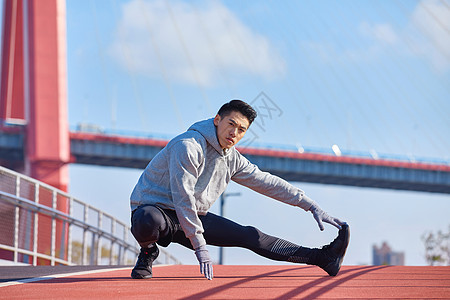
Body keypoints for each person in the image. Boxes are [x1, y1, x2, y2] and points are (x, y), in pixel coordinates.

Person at [129, 100, 349, 280]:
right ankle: (148, 251)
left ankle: (323, 258)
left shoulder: (232, 159)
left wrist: (310, 205)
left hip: (191, 216)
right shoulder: (188, 146)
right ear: (217, 120)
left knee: (250, 236)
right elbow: (183, 197)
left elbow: (266, 182)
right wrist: (200, 248)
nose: (234, 132)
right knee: (147, 219)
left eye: (241, 129)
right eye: (231, 124)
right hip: (156, 210)